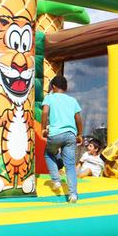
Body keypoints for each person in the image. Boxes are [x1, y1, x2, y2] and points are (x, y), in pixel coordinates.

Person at [41, 75, 83, 203]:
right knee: (70, 165)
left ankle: (56, 180)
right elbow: (78, 118)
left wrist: (43, 128)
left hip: (55, 134)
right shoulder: (72, 100)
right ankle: (73, 194)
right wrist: (80, 134)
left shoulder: (49, 97)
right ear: (66, 87)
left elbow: (44, 112)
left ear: (53, 86)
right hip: (70, 134)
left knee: (48, 153)